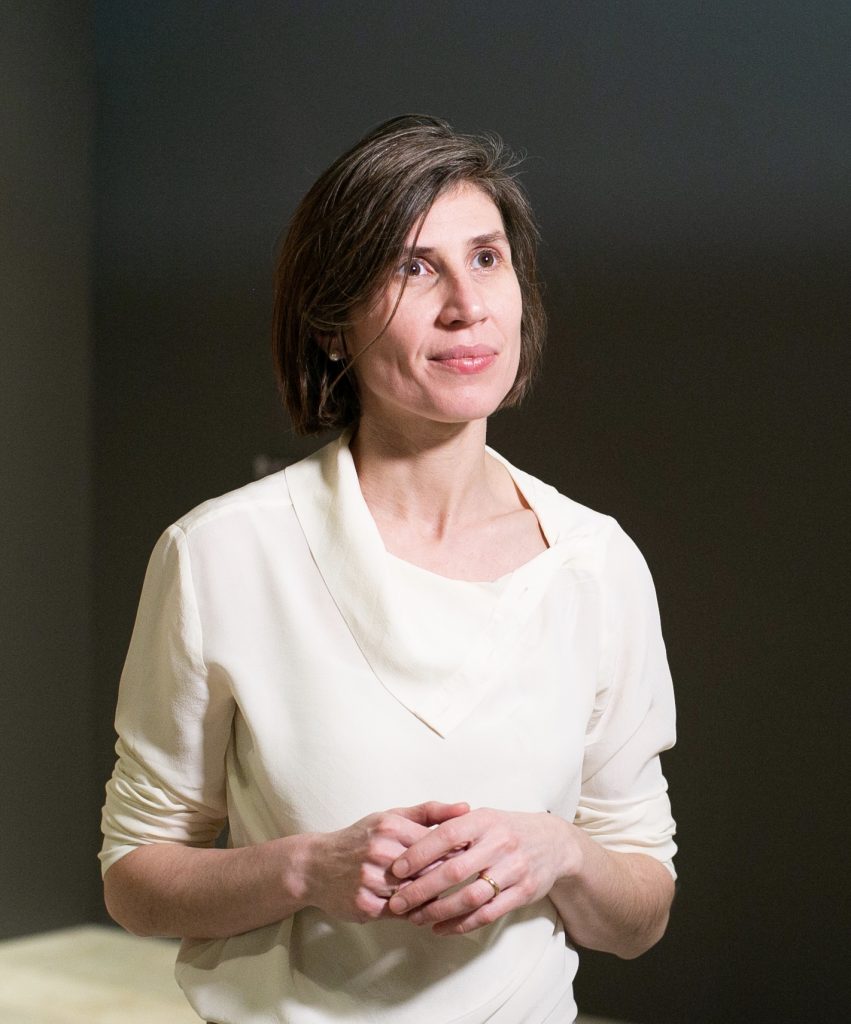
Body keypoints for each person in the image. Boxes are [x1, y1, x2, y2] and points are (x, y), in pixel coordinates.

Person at [100, 114, 677, 1024]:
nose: (466, 304)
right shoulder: (221, 554)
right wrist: (307, 869)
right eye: (414, 267)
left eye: (486, 259)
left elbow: (638, 912)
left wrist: (558, 852)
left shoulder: (595, 564)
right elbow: (137, 880)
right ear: (332, 326)